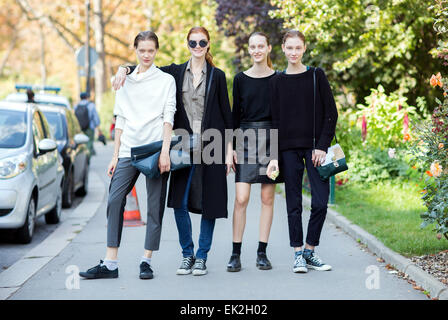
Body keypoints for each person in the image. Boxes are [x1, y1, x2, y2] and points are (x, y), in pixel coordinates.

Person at [113, 26, 233, 276]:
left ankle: (202, 256)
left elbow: (227, 114)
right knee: (180, 200)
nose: (197, 47)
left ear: (208, 45)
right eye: (193, 43)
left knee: (209, 201)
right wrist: (123, 69)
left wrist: (230, 150)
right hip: (181, 145)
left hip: (212, 145)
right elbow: (145, 66)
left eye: (202, 43)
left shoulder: (218, 76)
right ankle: (187, 254)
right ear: (187, 45)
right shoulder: (175, 72)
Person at [79, 31, 176, 280]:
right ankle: (110, 263)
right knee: (114, 200)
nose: (146, 55)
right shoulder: (122, 80)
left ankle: (147, 260)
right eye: (142, 50)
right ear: (135, 50)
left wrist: (165, 152)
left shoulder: (166, 81)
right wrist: (114, 155)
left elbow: (168, 118)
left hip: (155, 149)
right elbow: (119, 119)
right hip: (127, 151)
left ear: (156, 51)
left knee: (154, 206)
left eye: (151, 50)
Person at [267, 30, 338, 273]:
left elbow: (331, 114)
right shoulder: (276, 81)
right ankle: (298, 253)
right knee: (293, 204)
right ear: (283, 49)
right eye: (290, 48)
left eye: (298, 48)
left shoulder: (316, 76)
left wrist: (322, 146)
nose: (294, 52)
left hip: (315, 150)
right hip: (288, 151)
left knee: (320, 202)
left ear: (304, 48)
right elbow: (274, 121)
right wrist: (274, 156)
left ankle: (310, 250)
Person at [227, 32, 284, 273]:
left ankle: (262, 252)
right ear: (249, 50)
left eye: (261, 45)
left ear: (269, 48)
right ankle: (235, 253)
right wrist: (229, 149)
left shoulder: (279, 79)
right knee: (241, 198)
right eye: (253, 46)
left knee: (267, 198)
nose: (257, 50)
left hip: (271, 139)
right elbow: (234, 116)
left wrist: (277, 154)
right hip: (245, 139)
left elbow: (282, 118)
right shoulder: (240, 79)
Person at [74, 92, 102, 156]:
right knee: (89, 143)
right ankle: (87, 157)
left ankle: (82, 155)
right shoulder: (91, 105)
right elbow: (95, 118)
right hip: (89, 128)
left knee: (81, 143)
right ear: (87, 97)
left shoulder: (76, 106)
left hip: (80, 128)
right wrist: (98, 128)